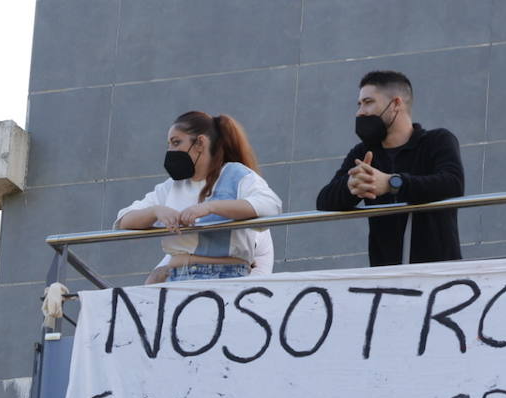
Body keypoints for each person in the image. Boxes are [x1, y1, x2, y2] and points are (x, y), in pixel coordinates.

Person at [316, 70, 464, 266]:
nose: (360, 112)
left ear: (395, 105)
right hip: (385, 279)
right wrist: (352, 186)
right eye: (359, 104)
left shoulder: (437, 141)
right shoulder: (362, 153)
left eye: (368, 102)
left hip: (438, 276)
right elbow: (324, 200)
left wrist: (392, 183)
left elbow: (452, 183)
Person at [117, 110, 281, 282]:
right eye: (169, 145)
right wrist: (155, 211)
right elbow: (124, 221)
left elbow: (270, 205)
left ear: (200, 143)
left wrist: (210, 208)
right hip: (176, 279)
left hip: (225, 278)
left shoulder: (235, 174)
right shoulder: (171, 186)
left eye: (176, 142)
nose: (170, 151)